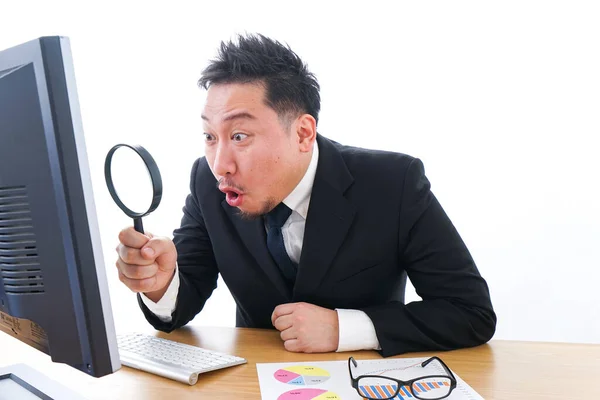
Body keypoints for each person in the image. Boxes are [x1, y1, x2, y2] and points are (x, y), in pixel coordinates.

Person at [115, 34, 496, 357]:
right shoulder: (206, 180)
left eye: (239, 136)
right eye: (210, 137)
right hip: (254, 382)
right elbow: (186, 294)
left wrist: (345, 328)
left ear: (302, 133)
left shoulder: (393, 183)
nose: (221, 164)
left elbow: (469, 312)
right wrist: (160, 283)